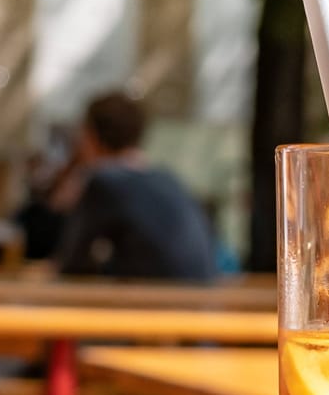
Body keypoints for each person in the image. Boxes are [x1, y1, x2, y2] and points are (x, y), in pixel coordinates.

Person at [53, 90, 215, 281]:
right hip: (202, 302)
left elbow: (72, 265)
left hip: (157, 306)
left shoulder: (104, 182)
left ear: (91, 137)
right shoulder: (167, 179)